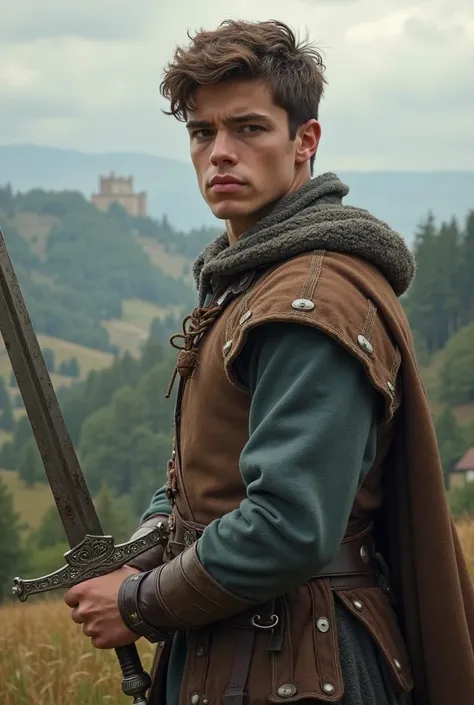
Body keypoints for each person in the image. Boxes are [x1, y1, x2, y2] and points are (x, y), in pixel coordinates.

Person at [64, 19, 474, 705]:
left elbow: (287, 525)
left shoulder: (308, 301)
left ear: (304, 141)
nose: (220, 152)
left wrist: (138, 601)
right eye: (202, 132)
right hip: (238, 649)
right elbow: (209, 478)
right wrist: (147, 541)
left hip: (297, 664)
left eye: (249, 128)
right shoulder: (252, 280)